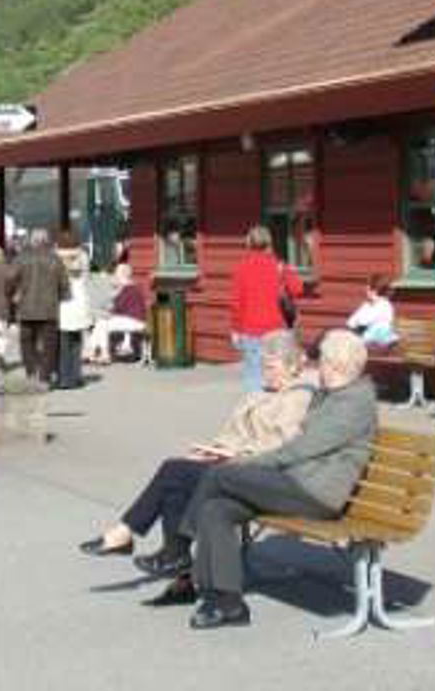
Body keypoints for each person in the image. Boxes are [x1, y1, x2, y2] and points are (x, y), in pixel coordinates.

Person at [170, 330, 377, 628]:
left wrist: (245, 462)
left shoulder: (352, 405)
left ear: (336, 365)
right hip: (294, 484)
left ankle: (178, 549)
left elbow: (298, 450)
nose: (318, 366)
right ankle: (228, 602)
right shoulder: (332, 394)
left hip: (315, 495)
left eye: (322, 361)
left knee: (220, 474)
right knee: (217, 509)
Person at [77, 331, 311, 568]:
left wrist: (239, 454)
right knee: (177, 479)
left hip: (265, 477)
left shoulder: (297, 397)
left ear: (292, 367)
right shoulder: (260, 393)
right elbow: (232, 433)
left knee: (174, 471)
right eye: (262, 367)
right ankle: (172, 553)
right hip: (237, 466)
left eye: (271, 367)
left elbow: (285, 446)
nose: (265, 373)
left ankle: (134, 537)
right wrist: (213, 450)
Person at [229, 226, 302, 392]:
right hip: (277, 329)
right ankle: (278, 406)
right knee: (279, 374)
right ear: (269, 243)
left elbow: (237, 303)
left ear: (249, 243)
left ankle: (256, 406)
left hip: (250, 330)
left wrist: (235, 330)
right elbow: (297, 289)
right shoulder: (279, 266)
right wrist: (286, 274)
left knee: (253, 375)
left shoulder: (241, 268)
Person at [13, 229, 69, 383]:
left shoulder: (21, 258)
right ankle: (45, 375)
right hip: (49, 307)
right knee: (50, 343)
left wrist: (12, 294)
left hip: (26, 307)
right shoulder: (55, 259)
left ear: (32, 241)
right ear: (47, 241)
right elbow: (64, 282)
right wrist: (63, 297)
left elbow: (10, 278)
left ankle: (31, 372)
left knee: (26, 342)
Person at [88, 263, 148, 365]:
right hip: (132, 320)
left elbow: (116, 307)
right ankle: (92, 352)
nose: (115, 275)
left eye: (117, 273)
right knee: (101, 324)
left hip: (134, 321)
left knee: (102, 323)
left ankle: (102, 354)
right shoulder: (129, 287)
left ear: (123, 274)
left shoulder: (127, 288)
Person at [55, 231, 93, 389]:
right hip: (80, 302)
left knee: (63, 344)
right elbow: (86, 277)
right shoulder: (83, 257)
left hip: (63, 303)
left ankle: (64, 378)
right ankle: (76, 376)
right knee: (77, 342)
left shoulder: (56, 259)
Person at [345, 274, 395, 347]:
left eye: (369, 288)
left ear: (375, 290)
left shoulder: (384, 305)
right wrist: (353, 323)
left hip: (380, 338)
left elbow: (365, 321)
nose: (366, 290)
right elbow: (351, 321)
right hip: (365, 334)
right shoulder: (367, 304)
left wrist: (356, 324)